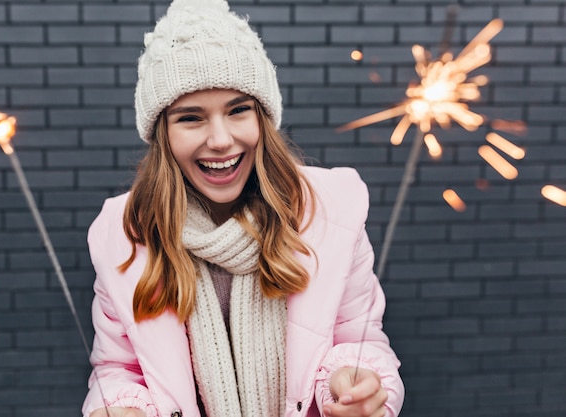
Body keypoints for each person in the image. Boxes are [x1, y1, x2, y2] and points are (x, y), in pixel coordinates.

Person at [82, 0, 404, 416]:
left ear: (263, 118)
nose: (220, 140)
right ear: (162, 134)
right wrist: (125, 408)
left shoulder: (329, 216)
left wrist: (349, 383)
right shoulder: (126, 237)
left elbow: (358, 337)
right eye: (191, 118)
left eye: (238, 110)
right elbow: (118, 368)